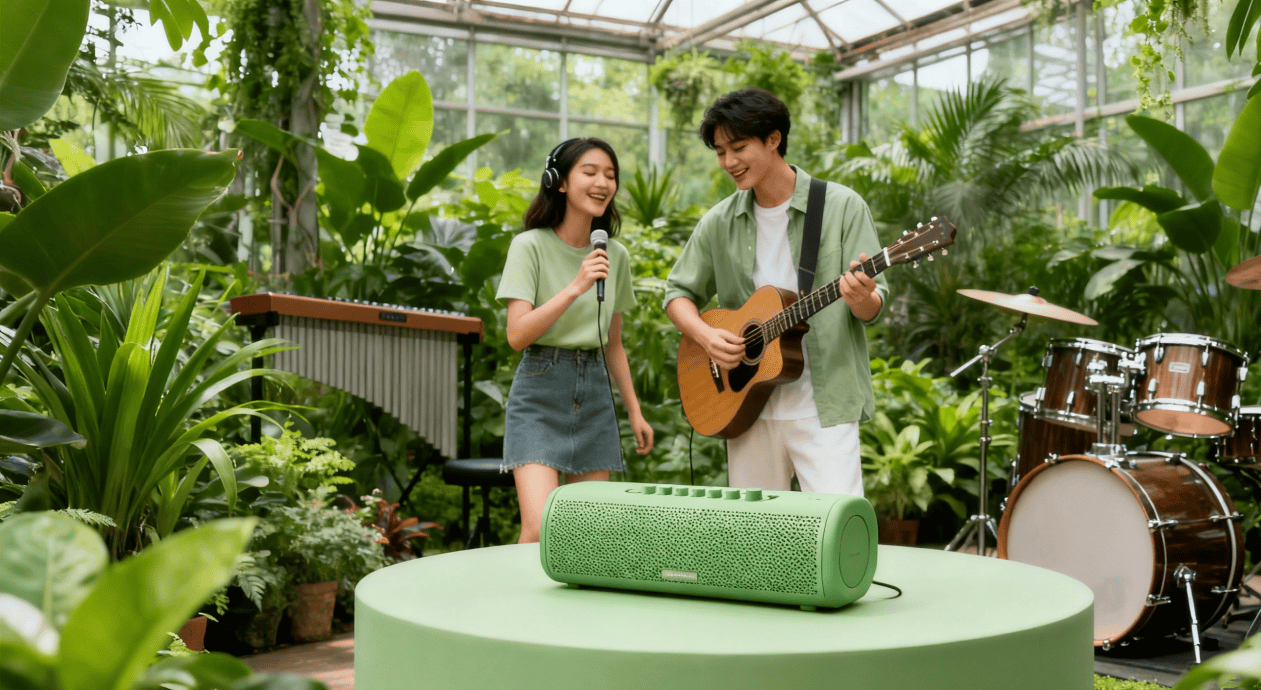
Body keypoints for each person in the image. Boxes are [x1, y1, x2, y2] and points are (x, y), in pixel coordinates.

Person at [663, 87, 887, 496]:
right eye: (720, 152)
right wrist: (707, 337)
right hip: (744, 404)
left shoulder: (842, 207)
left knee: (836, 525)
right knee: (753, 532)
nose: (728, 162)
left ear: (773, 139)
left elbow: (872, 307)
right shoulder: (719, 222)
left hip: (824, 406)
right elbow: (677, 293)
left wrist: (861, 299)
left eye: (738, 148)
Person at [497, 137, 654, 543]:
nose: (603, 182)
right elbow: (517, 335)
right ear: (560, 181)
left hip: (595, 394)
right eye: (590, 172)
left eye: (610, 175)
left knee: (586, 536)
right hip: (540, 391)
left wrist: (634, 412)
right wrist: (575, 286)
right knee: (538, 528)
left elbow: (613, 344)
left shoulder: (615, 255)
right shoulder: (529, 246)